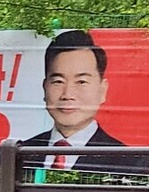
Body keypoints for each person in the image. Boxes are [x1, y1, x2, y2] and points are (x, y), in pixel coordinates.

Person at [21, 30, 148, 175]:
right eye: (58, 81)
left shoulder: (130, 161)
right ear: (45, 87)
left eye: (81, 82)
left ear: (102, 90)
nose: (67, 95)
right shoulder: (22, 153)